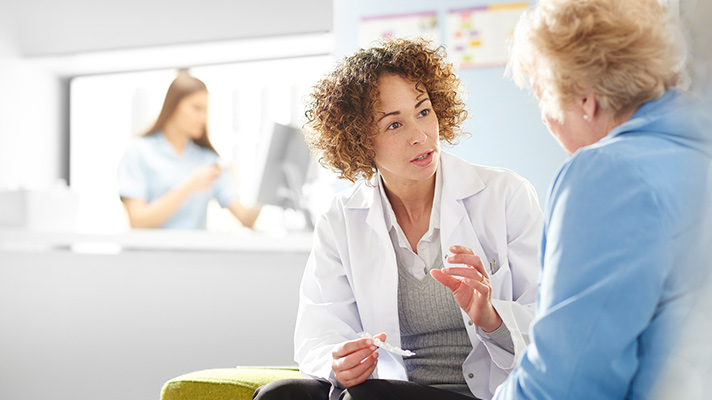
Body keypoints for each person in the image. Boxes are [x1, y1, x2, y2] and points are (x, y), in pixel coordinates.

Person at [253, 38, 542, 400]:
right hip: (389, 388)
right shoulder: (341, 218)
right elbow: (318, 333)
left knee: (368, 397)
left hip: (483, 392)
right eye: (394, 125)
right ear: (358, 140)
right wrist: (339, 364)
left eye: (423, 111)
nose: (420, 135)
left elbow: (550, 327)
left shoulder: (505, 195)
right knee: (278, 395)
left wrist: (489, 315)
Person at [493, 0, 712, 398]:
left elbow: (565, 382)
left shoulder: (608, 174)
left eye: (542, 96)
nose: (544, 117)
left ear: (584, 99)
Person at [117, 72, 260, 230]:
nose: (203, 118)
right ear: (173, 107)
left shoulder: (208, 160)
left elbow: (245, 218)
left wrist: (268, 185)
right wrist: (189, 186)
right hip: (151, 254)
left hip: (195, 253)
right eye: (196, 108)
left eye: (205, 110)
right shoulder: (139, 152)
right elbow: (137, 221)